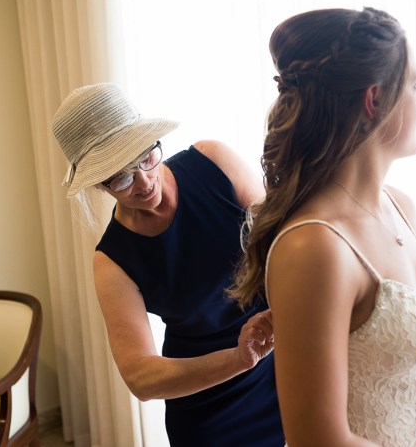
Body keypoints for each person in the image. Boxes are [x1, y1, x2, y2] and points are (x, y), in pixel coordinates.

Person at [229, 7, 416, 447]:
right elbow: (318, 438)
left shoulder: (402, 208)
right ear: (374, 99)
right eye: (414, 86)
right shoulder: (314, 246)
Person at [51, 82, 285, 447]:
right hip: (208, 405)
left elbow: (283, 244)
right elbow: (140, 377)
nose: (144, 182)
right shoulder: (112, 262)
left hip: (283, 364)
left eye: (146, 157)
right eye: (121, 177)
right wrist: (239, 358)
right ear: (99, 185)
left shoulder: (213, 163)